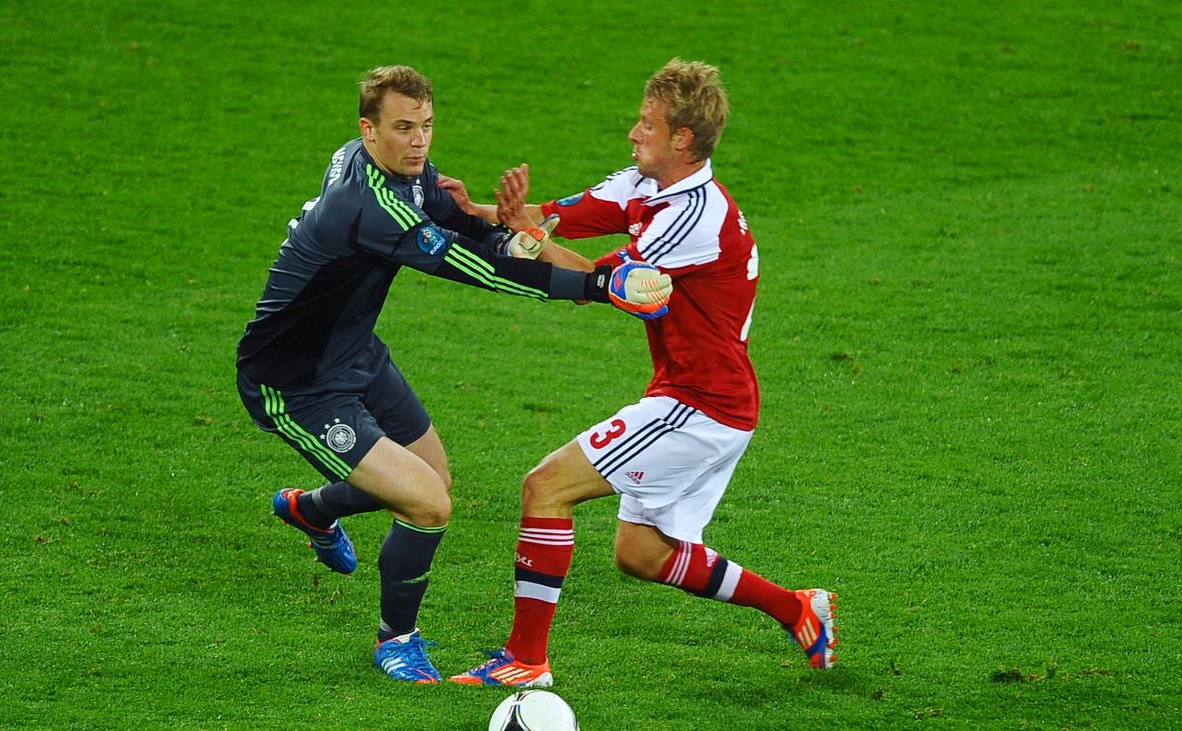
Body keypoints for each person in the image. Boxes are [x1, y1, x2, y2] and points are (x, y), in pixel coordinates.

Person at [234, 65, 671, 684]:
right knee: (426, 503)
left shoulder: (395, 170)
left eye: (427, 125)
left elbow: (463, 225)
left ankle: (313, 509)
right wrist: (599, 285)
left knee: (433, 480)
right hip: (296, 383)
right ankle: (395, 640)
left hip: (356, 352)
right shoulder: (368, 205)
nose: (419, 142)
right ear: (368, 130)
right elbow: (473, 268)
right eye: (403, 128)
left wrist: (514, 233)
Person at [444, 58, 837, 688]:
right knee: (641, 553)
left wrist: (521, 237)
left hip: (702, 405)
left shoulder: (693, 217)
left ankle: (526, 660)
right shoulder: (646, 185)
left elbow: (596, 285)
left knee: (546, 487)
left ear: (682, 138)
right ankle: (797, 608)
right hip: (698, 396)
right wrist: (480, 212)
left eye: (647, 125)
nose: (633, 133)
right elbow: (553, 218)